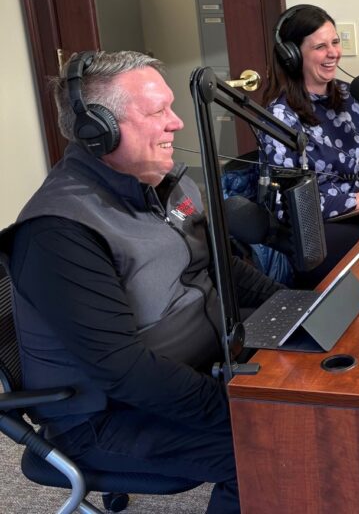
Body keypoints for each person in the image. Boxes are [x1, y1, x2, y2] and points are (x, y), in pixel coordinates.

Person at [0, 51, 284, 513]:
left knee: (316, 397)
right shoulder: (59, 232)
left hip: (198, 366)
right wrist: (236, 409)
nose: (176, 124)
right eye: (157, 112)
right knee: (271, 449)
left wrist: (296, 307)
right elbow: (124, 370)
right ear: (99, 130)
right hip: (102, 417)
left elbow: (223, 268)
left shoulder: (162, 183)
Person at [260, 4, 359, 289]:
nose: (332, 53)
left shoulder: (350, 97)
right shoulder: (279, 117)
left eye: (335, 42)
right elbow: (284, 206)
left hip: (355, 208)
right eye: (320, 46)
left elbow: (355, 167)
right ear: (293, 55)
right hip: (312, 228)